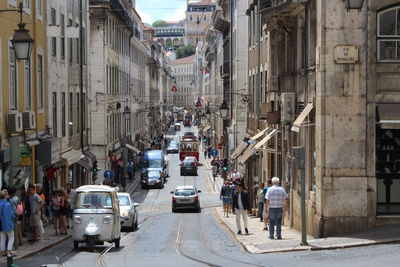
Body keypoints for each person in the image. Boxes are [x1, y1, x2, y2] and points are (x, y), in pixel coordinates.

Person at [0, 189, 16, 256]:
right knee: (11, 237)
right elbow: (11, 215)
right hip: (7, 223)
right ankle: (9, 251)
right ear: (4, 196)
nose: (8, 195)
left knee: (2, 237)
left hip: (0, 224)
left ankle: (3, 251)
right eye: (7, 194)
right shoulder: (7, 204)